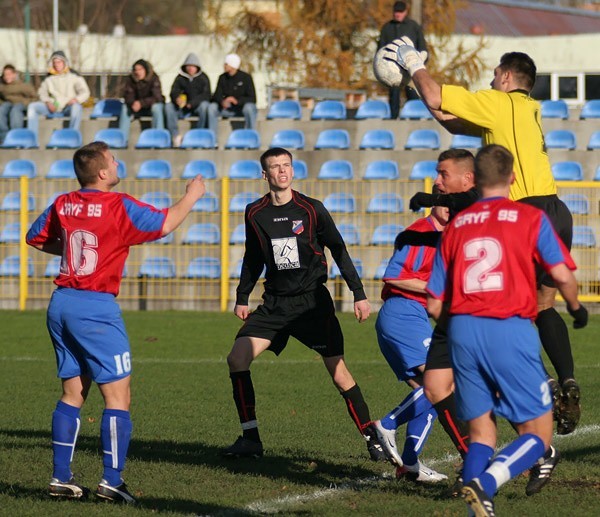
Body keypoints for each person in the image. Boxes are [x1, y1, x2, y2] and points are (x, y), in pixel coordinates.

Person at [394, 47, 581, 438]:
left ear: (508, 79)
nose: (491, 81)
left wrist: (414, 65)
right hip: (557, 211)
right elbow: (450, 122)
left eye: (495, 75)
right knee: (545, 304)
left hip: (523, 214)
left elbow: (436, 98)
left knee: (513, 309)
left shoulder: (499, 103)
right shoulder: (527, 110)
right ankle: (566, 380)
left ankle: (541, 383)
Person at [26, 141, 206, 503]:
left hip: (62, 302)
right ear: (103, 172)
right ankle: (111, 480)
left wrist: (77, 251)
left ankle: (61, 477)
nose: (117, 161)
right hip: (95, 308)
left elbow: (35, 237)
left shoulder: (63, 202)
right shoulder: (117, 204)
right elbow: (165, 223)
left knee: (73, 392)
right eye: (112, 159)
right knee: (118, 395)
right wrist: (192, 196)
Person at [426, 144, 587, 516]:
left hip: (462, 332)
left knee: (481, 434)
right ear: (512, 178)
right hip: (509, 327)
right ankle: (487, 483)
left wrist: (464, 326)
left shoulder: (454, 228)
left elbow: (435, 304)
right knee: (539, 434)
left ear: (476, 181)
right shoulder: (528, 217)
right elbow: (562, 275)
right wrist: (577, 309)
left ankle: (477, 505)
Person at [222, 147, 384, 461]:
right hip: (275, 305)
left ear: (293, 171)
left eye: (286, 166)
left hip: (312, 305)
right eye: (274, 167)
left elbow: (338, 249)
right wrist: (243, 296)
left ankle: (372, 437)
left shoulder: (312, 209)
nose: (281, 171)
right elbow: (253, 257)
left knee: (340, 374)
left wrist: (359, 293)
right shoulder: (254, 212)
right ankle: (251, 439)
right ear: (264, 174)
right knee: (237, 358)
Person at [372, 201, 450, 483]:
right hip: (403, 313)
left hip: (413, 316)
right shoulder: (421, 232)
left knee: (432, 395)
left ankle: (410, 465)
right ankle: (387, 424)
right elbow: (393, 276)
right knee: (440, 382)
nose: (450, 208)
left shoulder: (446, 237)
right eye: (444, 201)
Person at [377, 1, 427, 119]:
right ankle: (393, 120)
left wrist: (419, 64)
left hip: (410, 69)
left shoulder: (413, 27)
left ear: (406, 12)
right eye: (396, 12)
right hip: (393, 70)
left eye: (400, 12)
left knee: (413, 95)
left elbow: (423, 48)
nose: (397, 14)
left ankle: (415, 120)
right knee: (394, 96)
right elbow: (381, 50)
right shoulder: (386, 28)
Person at [26, 50, 90, 138]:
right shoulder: (49, 78)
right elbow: (41, 92)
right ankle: (31, 138)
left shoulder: (74, 77)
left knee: (77, 107)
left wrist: (76, 99)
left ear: (64, 63)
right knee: (32, 106)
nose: (56, 64)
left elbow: (85, 92)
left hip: (69, 107)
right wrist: (47, 102)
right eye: (54, 62)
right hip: (53, 107)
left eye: (59, 62)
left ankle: (72, 136)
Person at [165, 53, 211, 148]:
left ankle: (198, 134)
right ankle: (175, 136)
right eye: (188, 66)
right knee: (168, 107)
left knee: (205, 106)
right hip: (182, 108)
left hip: (196, 107)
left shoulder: (203, 78)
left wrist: (192, 103)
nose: (190, 69)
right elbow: (174, 91)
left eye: (193, 66)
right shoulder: (180, 78)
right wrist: (177, 98)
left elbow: (206, 95)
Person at [208, 53, 257, 138]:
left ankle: (251, 137)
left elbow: (252, 98)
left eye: (226, 64)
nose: (224, 66)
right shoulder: (222, 78)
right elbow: (216, 95)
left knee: (249, 108)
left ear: (232, 65)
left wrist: (236, 101)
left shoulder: (246, 78)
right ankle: (212, 139)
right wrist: (222, 101)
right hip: (227, 109)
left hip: (241, 109)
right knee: (212, 107)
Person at [119, 59, 165, 144]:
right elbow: (127, 95)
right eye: (135, 70)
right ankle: (122, 139)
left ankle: (159, 138)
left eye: (140, 69)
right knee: (125, 108)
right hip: (136, 108)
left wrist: (141, 103)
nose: (137, 72)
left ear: (146, 70)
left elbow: (157, 97)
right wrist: (133, 103)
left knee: (157, 107)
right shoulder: (130, 80)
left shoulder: (154, 78)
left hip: (150, 107)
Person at [0, 64, 37, 142]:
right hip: (8, 104)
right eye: (5, 75)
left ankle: (15, 135)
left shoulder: (23, 85)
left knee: (15, 110)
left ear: (14, 74)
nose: (7, 77)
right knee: (1, 110)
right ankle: (4, 137)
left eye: (9, 74)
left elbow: (35, 97)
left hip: (21, 104)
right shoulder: (2, 87)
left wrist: (25, 103)